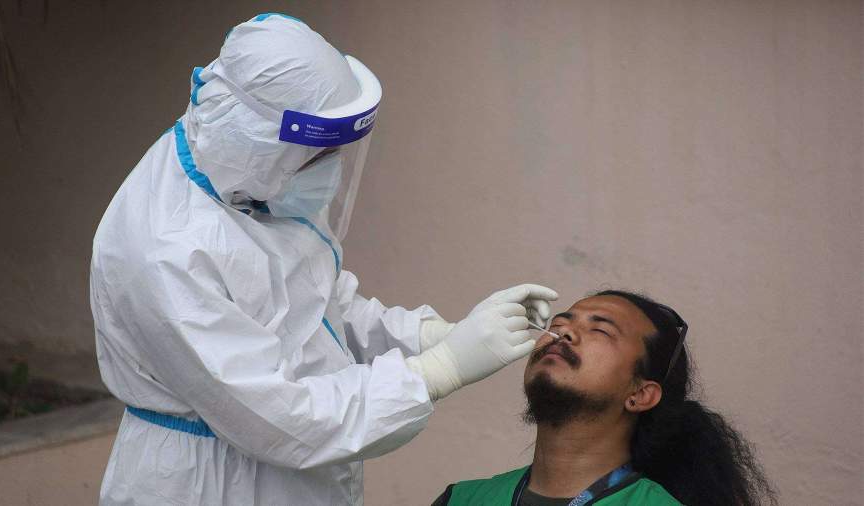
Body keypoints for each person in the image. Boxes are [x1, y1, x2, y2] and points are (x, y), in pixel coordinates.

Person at [89, 13, 558, 506]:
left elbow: (315, 307)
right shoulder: (167, 250)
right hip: (210, 483)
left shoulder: (245, 178)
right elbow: (279, 421)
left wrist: (432, 335)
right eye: (319, 153)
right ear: (261, 146)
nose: (328, 167)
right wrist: (441, 368)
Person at [433, 290, 777, 506]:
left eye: (600, 330)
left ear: (640, 394)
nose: (563, 333)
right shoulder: (460, 500)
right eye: (558, 324)